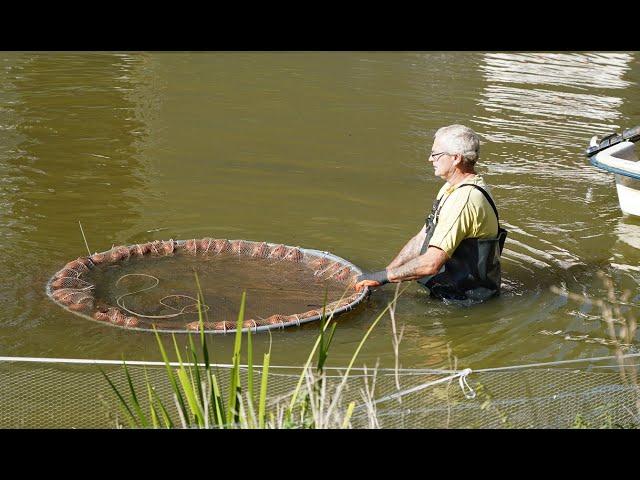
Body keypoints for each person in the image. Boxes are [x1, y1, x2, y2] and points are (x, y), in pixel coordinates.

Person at [354, 124, 507, 302]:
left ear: (456, 158)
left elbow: (431, 264)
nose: (430, 159)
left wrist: (383, 277)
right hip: (449, 291)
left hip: (466, 302)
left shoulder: (464, 199)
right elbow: (422, 237)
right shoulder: (451, 187)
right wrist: (382, 275)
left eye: (435, 154)